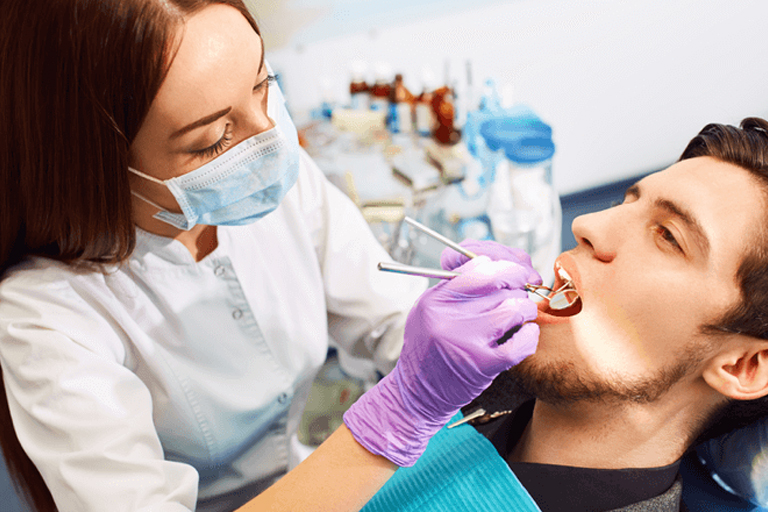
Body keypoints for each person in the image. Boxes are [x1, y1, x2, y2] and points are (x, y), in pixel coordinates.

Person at [0, 1, 543, 511]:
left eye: (263, 85)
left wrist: (468, 330)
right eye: (211, 139)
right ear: (90, 164)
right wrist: (399, 413)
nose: (270, 139)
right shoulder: (44, 319)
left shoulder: (268, 183)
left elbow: (391, 320)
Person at [359, 117, 768, 512]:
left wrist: (398, 414)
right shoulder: (474, 383)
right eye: (625, 202)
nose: (586, 224)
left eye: (667, 235)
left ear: (745, 366)